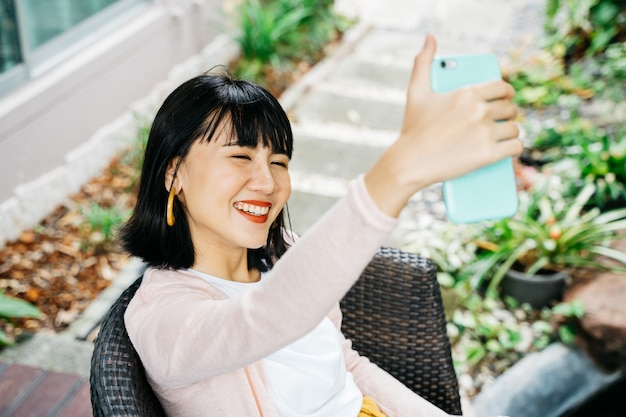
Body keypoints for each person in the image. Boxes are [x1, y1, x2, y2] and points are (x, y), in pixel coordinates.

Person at [120, 34, 520, 417]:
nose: (268, 183)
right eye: (240, 157)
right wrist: (400, 172)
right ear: (174, 172)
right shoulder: (162, 315)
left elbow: (348, 368)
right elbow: (266, 318)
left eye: (278, 162)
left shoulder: (284, 254)